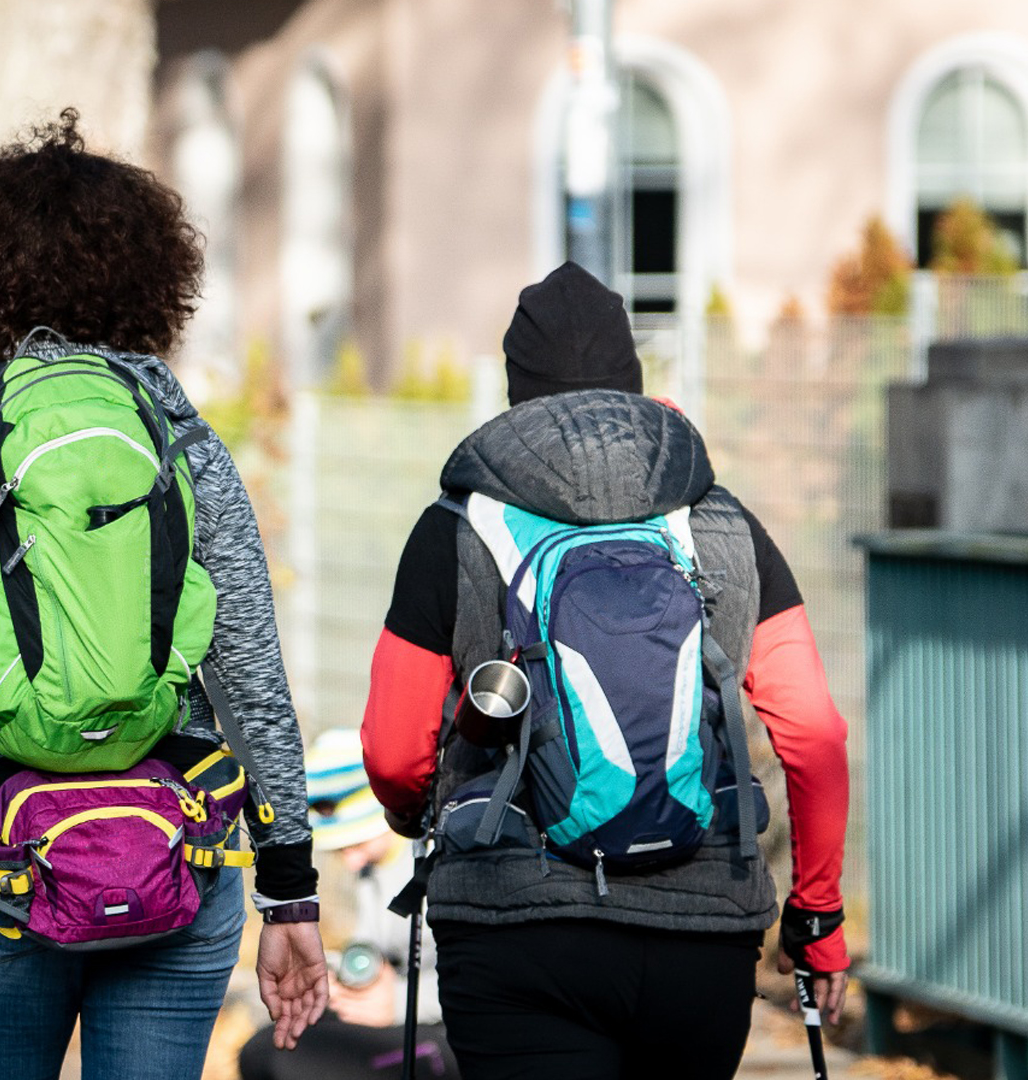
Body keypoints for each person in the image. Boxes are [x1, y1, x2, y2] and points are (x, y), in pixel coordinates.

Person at [0, 111, 328, 1080]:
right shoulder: (180, 439)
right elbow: (252, 676)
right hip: (175, 845)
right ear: (151, 281)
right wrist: (291, 892)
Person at [361, 262, 851, 1080]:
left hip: (513, 928)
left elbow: (391, 751)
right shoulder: (724, 524)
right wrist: (819, 917)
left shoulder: (453, 530)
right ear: (632, 379)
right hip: (701, 933)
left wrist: (421, 816)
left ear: (518, 394)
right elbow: (815, 735)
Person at [240, 730, 458, 1080]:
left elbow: (490, 976)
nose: (352, 862)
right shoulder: (375, 868)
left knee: (280, 1059)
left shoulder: (442, 864)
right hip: (398, 1017)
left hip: (446, 1030)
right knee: (263, 1048)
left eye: (353, 843)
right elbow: (370, 955)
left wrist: (400, 1002)